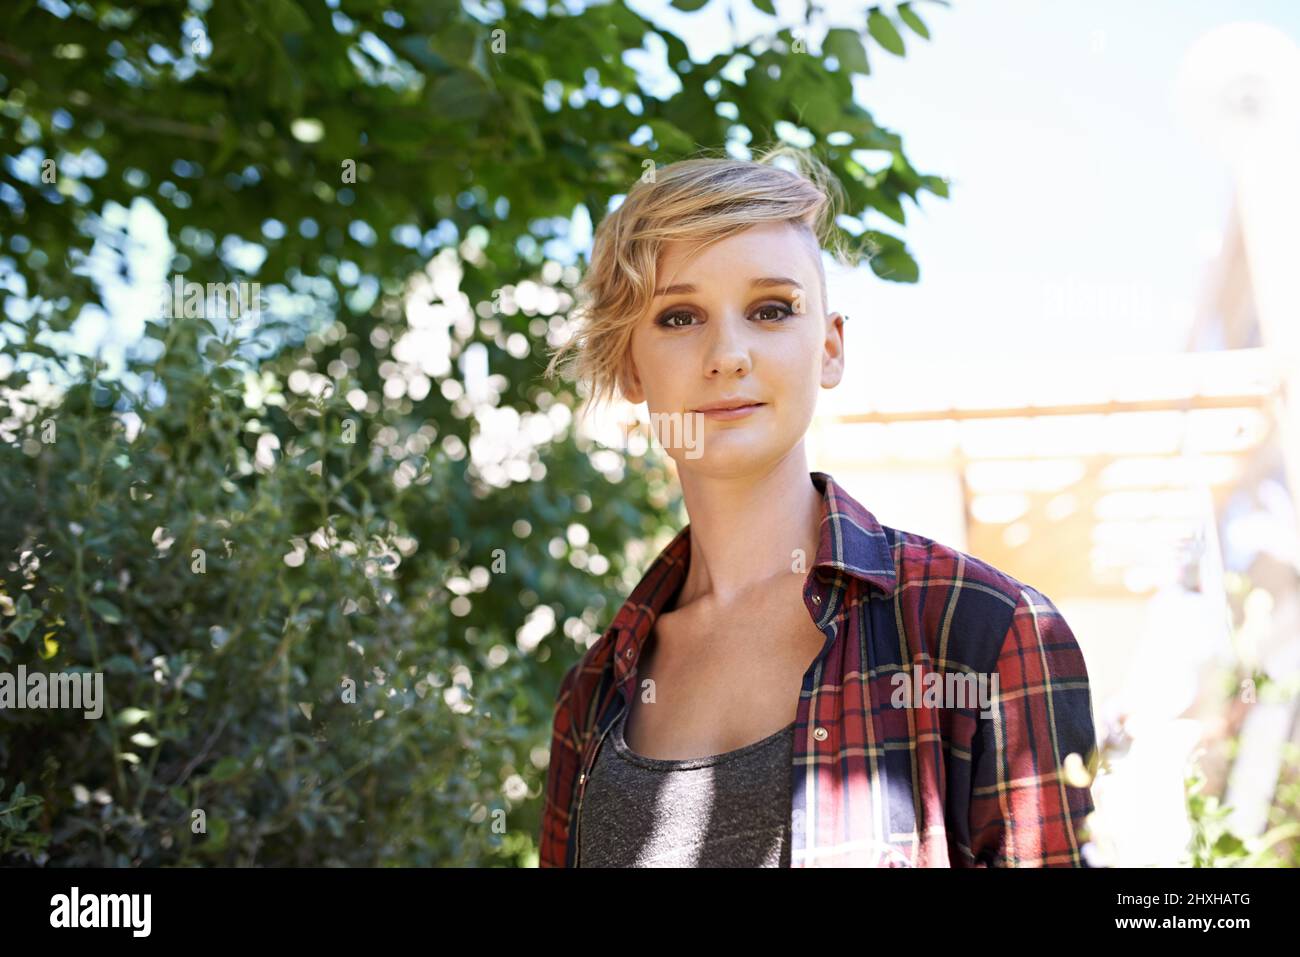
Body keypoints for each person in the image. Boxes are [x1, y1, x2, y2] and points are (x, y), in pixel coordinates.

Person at [538, 145, 1098, 868]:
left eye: (771, 309)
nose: (728, 353)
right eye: (680, 316)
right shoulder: (592, 693)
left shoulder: (986, 630)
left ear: (830, 348)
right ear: (630, 366)